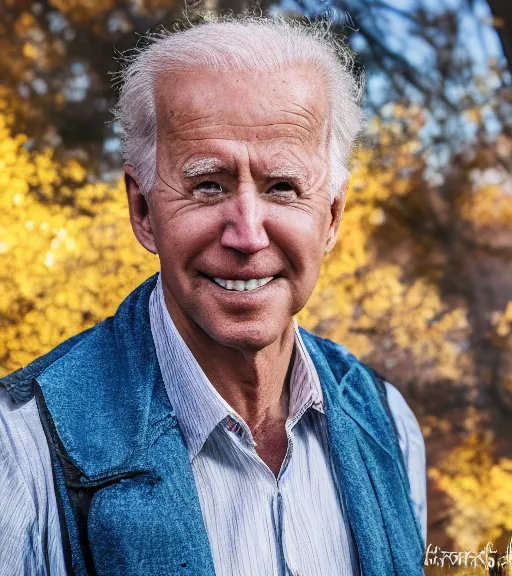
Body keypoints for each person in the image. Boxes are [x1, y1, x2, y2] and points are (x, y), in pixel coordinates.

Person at [0, 15, 427, 576]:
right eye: (208, 185)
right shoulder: (21, 449)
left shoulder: (389, 424)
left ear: (332, 216)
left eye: (283, 187)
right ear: (143, 210)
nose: (248, 235)